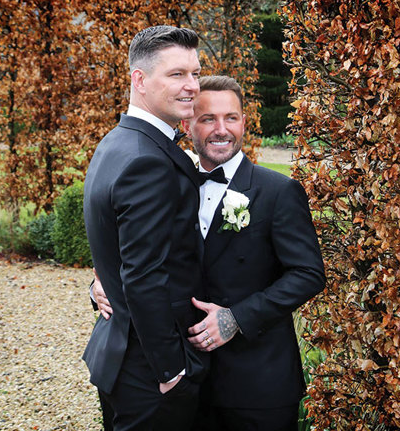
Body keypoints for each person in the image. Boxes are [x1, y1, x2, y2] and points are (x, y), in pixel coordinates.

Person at [93, 75, 326, 430]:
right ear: (187, 125)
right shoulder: (167, 180)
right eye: (207, 119)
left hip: (257, 384)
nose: (222, 129)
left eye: (231, 117)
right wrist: (99, 283)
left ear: (244, 122)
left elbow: (309, 274)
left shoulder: (279, 191)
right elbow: (134, 252)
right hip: (186, 382)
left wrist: (236, 318)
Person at [82, 25, 209, 431]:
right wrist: (171, 370)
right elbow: (143, 275)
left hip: (122, 356)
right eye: (177, 75)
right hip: (149, 370)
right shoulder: (147, 160)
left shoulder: (117, 142)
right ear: (140, 79)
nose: (192, 86)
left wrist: (100, 284)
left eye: (195, 73)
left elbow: (117, 248)